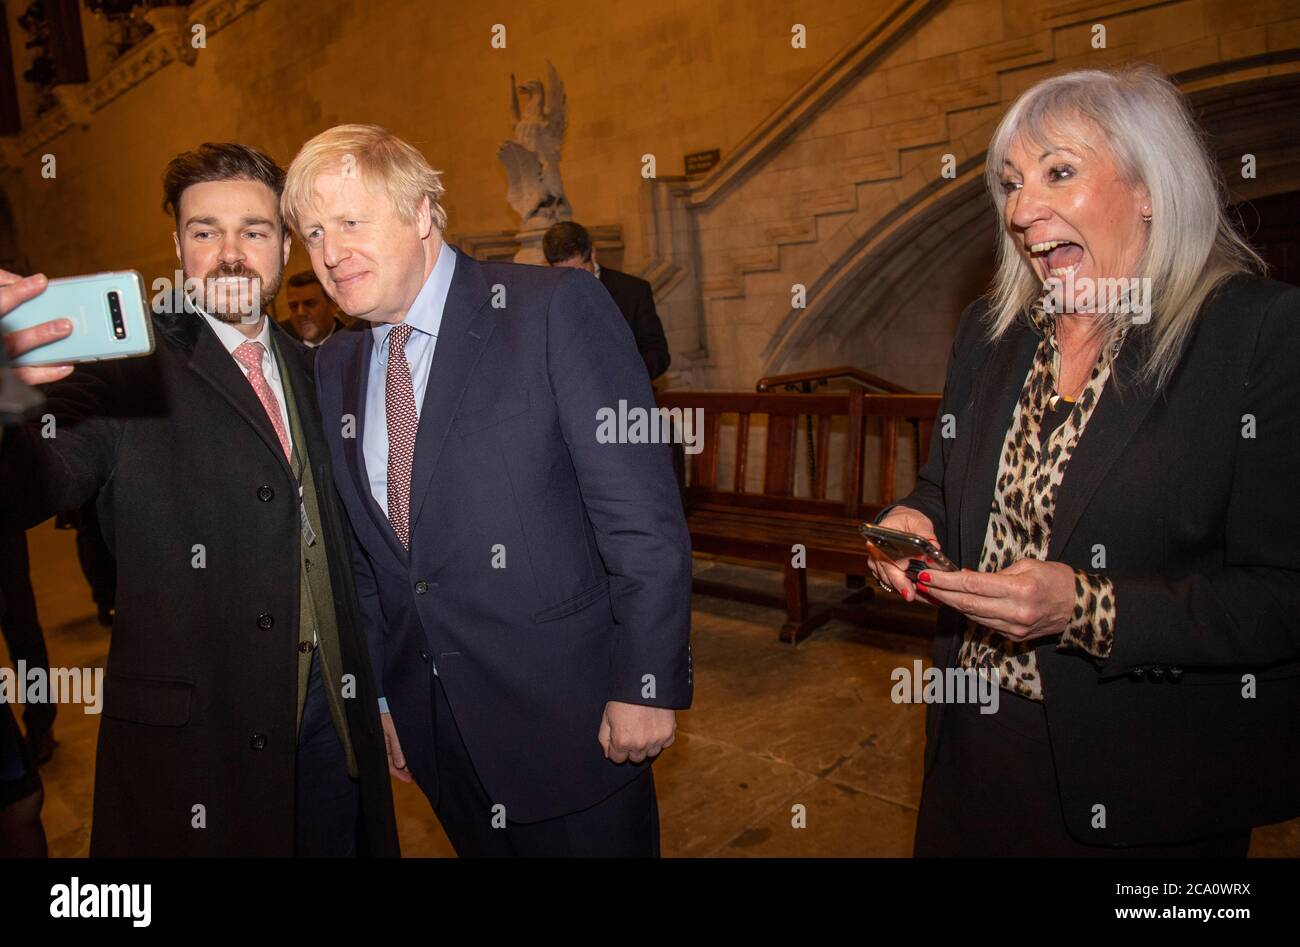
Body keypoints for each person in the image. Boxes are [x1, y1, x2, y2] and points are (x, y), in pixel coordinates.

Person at [867, 65, 1300, 856]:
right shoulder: (991, 333)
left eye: (1058, 172)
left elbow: (1281, 595)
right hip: (974, 743)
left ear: (1149, 188)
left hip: (1147, 777)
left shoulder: (1256, 337)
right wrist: (913, 519)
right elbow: (944, 482)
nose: (1023, 211)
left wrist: (1086, 607)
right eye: (1011, 185)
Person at [283, 125, 692, 856]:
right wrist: (382, 695)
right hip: (438, 737)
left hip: (576, 725)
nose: (331, 254)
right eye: (313, 232)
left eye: (350, 221)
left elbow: (642, 517)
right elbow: (369, 559)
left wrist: (648, 678)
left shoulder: (551, 309)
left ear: (421, 213)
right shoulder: (336, 363)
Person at [0, 144, 399, 857]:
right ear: (177, 247)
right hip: (201, 749)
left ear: (284, 245)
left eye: (253, 230)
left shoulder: (321, 368)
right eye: (204, 231)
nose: (230, 253)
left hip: (329, 729)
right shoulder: (125, 367)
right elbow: (38, 483)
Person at [543, 221, 671, 381]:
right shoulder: (544, 298)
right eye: (562, 275)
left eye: (579, 271)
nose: (572, 281)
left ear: (593, 254)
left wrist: (622, 375)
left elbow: (658, 354)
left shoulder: (632, 292)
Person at [284, 269, 346, 347]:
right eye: (294, 306)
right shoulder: (283, 349)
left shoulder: (357, 344)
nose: (300, 313)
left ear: (332, 305)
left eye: (310, 304)